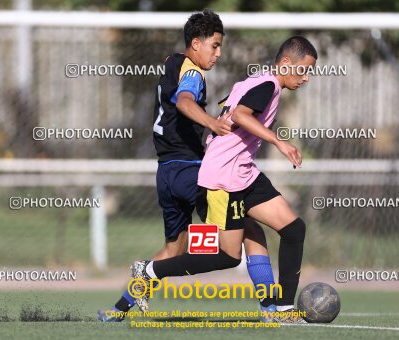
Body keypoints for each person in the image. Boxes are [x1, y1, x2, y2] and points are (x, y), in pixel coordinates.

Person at [98, 9, 277, 322]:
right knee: (248, 227)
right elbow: (183, 102)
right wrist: (213, 123)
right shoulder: (192, 71)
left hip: (167, 173)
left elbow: (175, 108)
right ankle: (272, 308)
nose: (219, 53)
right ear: (196, 43)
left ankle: (118, 309)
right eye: (215, 45)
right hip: (192, 172)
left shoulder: (172, 62)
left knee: (173, 251)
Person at [131, 36, 318, 324]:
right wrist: (280, 143)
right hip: (222, 180)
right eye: (303, 70)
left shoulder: (258, 82)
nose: (306, 78)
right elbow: (241, 116)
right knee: (228, 256)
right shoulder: (267, 85)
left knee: (293, 229)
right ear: (285, 63)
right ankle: (151, 271)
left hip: (243, 173)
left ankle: (282, 309)